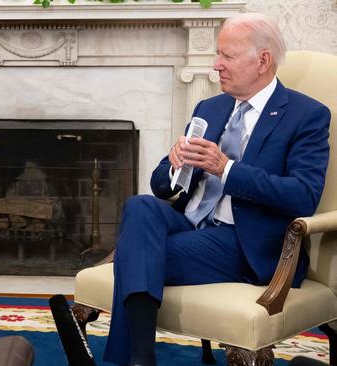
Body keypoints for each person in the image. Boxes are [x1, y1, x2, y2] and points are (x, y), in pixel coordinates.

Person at [104, 13, 331, 366]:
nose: (216, 65)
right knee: (140, 206)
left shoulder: (306, 115)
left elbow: (303, 195)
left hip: (243, 241)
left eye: (227, 56)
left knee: (135, 253)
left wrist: (225, 168)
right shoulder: (210, 107)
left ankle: (137, 358)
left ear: (263, 61)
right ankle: (141, 358)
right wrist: (175, 165)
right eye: (217, 54)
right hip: (192, 222)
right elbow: (162, 186)